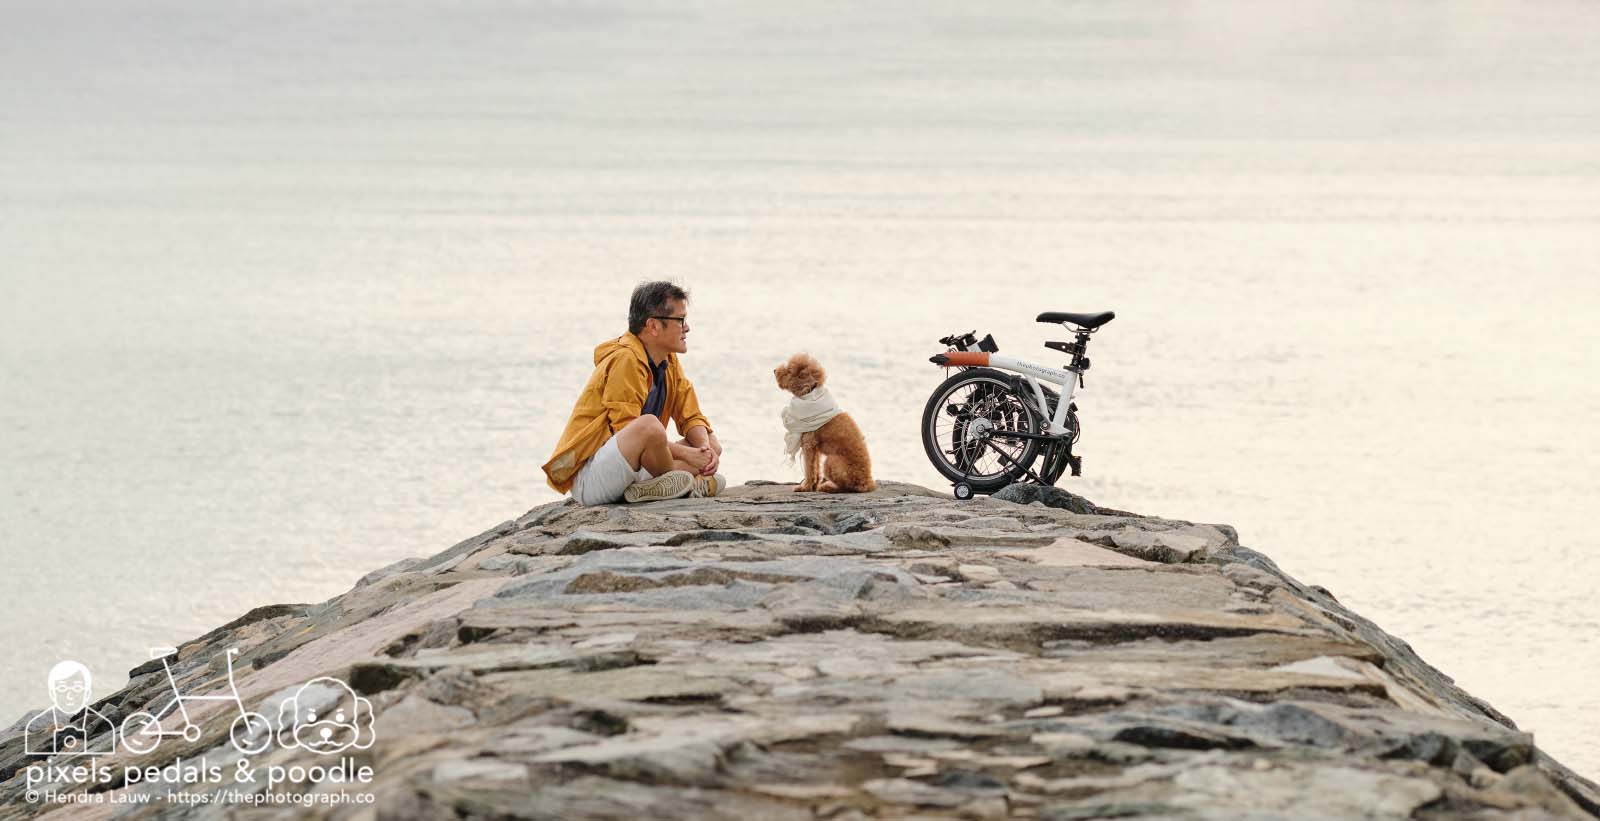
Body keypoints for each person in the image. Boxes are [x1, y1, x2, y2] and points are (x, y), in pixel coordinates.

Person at [543, 281, 725, 505]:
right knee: (648, 425)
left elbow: (691, 416)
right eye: (680, 320)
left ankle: (653, 488)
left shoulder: (667, 360)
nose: (687, 328)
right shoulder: (625, 359)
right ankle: (683, 482)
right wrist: (688, 456)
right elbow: (628, 429)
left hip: (634, 470)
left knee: (712, 443)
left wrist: (704, 450)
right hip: (592, 477)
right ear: (653, 326)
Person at [24, 660, 115, 757]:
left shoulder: (103, 719)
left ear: (87, 693)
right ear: (52, 693)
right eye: (62, 688)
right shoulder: (36, 720)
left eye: (77, 688)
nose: (70, 695)